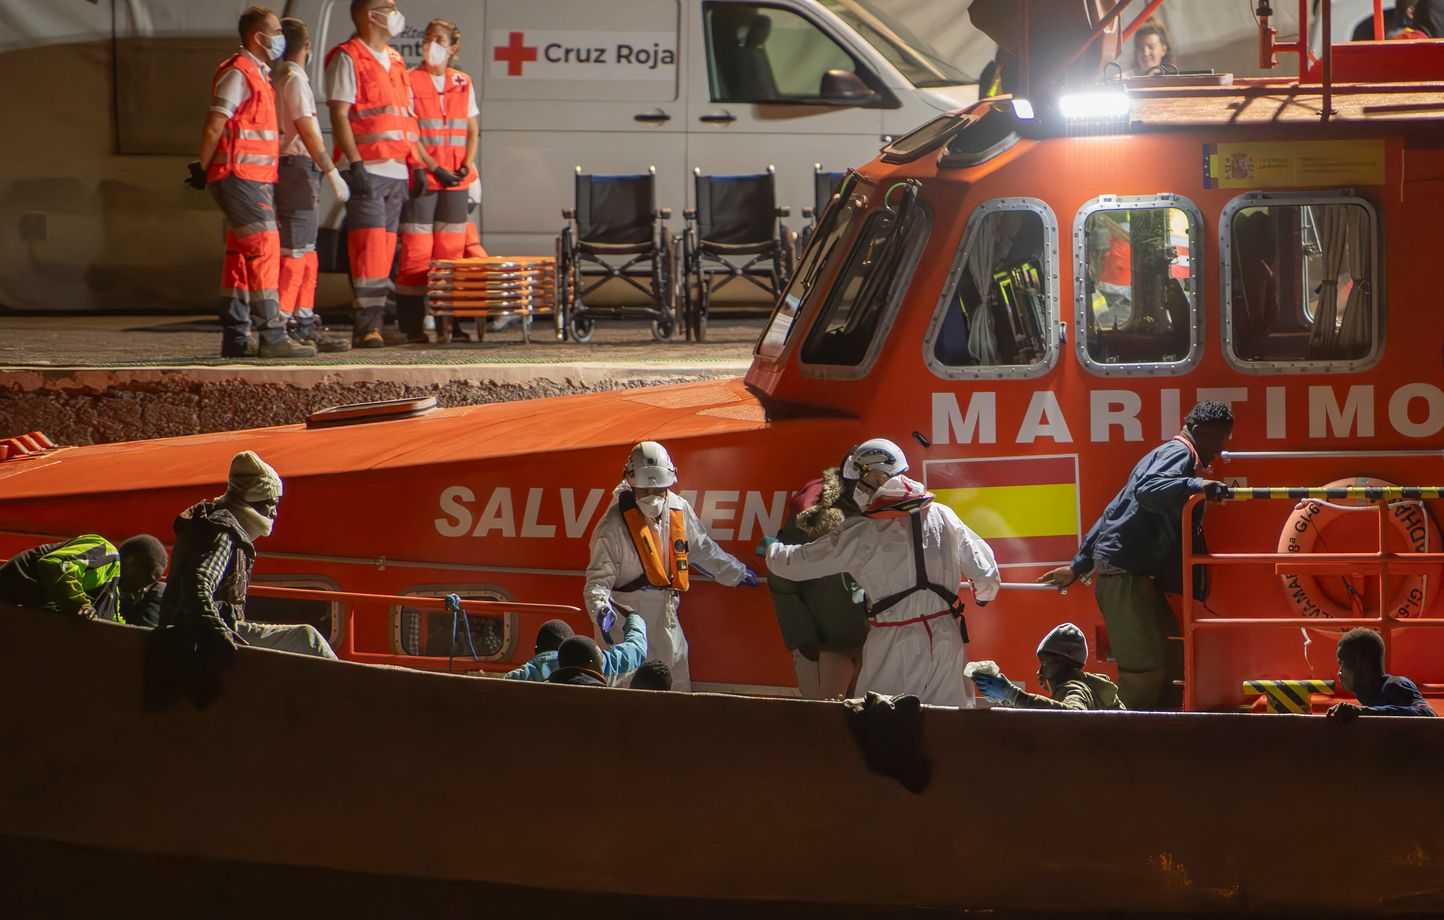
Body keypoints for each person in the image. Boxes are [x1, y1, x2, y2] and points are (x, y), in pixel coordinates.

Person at [763, 438, 1000, 708]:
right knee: (947, 725)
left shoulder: (862, 531)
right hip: (947, 638)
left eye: (858, 483)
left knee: (882, 725)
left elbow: (794, 564)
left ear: (876, 478)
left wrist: (772, 550)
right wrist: (982, 594)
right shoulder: (944, 515)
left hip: (893, 641)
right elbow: (987, 574)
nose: (855, 491)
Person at [1038, 400, 1234, 711]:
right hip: (1126, 574)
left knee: (1169, 657)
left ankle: (1160, 730)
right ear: (1198, 432)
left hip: (1130, 573)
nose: (1220, 451)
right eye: (1220, 440)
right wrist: (1198, 484)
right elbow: (1148, 491)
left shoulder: (1162, 454)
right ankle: (1124, 743)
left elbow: (1114, 511)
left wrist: (1078, 566)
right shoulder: (1180, 454)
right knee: (1144, 668)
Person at [191, 7, 317, 360]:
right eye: (276, 31)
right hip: (239, 176)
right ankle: (272, 335)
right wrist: (204, 167)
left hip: (252, 178)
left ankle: (236, 337)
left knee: (239, 255)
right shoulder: (239, 72)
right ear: (258, 38)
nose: (281, 37)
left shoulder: (258, 74)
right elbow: (215, 123)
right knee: (265, 250)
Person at [583, 441, 757, 692]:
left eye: (658, 490)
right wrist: (601, 611)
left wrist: (736, 572)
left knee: (677, 684)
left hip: (667, 618)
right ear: (631, 484)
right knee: (633, 696)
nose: (652, 497)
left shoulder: (678, 508)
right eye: (644, 491)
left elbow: (701, 548)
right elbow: (597, 583)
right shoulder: (611, 528)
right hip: (629, 629)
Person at [326, 0, 445, 348]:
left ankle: (374, 323)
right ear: (369, 14)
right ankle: (367, 327)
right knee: (369, 249)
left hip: (396, 169)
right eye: (388, 5)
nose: (395, 11)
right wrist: (355, 162)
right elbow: (340, 115)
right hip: (367, 168)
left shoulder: (394, 59)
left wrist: (418, 165)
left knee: (386, 250)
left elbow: (407, 118)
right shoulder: (348, 56)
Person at [158, 451, 337, 658]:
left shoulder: (209, 520)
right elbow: (198, 580)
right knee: (307, 638)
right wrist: (217, 628)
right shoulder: (224, 534)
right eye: (272, 503)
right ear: (255, 500)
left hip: (189, 632)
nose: (274, 513)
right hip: (202, 634)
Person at [395, 18, 479, 344]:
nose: (430, 43)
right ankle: (413, 326)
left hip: (456, 179)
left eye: (439, 39)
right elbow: (409, 132)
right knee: (417, 250)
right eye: (428, 38)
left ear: (453, 48)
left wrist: (466, 164)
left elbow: (471, 129)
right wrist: (432, 165)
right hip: (425, 176)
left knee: (451, 254)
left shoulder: (463, 81)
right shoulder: (410, 80)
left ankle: (451, 325)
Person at [271, 17, 351, 353]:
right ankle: (288, 323)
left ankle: (303, 320)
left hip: (296, 169)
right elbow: (305, 129)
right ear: (308, 47)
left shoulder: (279, 76)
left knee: (306, 252)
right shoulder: (293, 78)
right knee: (295, 252)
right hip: (297, 168)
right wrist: (330, 169)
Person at [765, 449, 869, 700]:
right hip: (822, 647)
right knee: (824, 724)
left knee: (871, 724)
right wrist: (804, 640)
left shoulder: (883, 513)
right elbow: (781, 579)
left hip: (872, 642)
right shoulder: (810, 519)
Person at [0, 533, 164, 623]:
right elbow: (54, 564)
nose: (142, 589)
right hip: (10, 597)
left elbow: (114, 622)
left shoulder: (112, 591)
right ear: (133, 563)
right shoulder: (107, 552)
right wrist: (79, 604)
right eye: (146, 580)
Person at [972, 623, 1126, 711]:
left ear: (1061, 662)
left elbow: (1073, 716)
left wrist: (1013, 694)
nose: (1039, 671)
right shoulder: (1086, 686)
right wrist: (1008, 700)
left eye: (1044, 663)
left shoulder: (1075, 688)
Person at [504, 609, 647, 686]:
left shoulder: (517, 677)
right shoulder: (598, 666)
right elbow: (636, 649)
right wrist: (634, 618)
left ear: (536, 650)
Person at [1328, 628, 1437, 719]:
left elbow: (1428, 714)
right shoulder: (1370, 697)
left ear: (1361, 664)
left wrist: (1365, 711)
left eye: (1343, 664)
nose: (1339, 672)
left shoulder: (1395, 684)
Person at [117, 535, 169, 628]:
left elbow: (143, 632)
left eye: (127, 566)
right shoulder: (113, 589)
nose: (121, 572)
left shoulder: (158, 594)